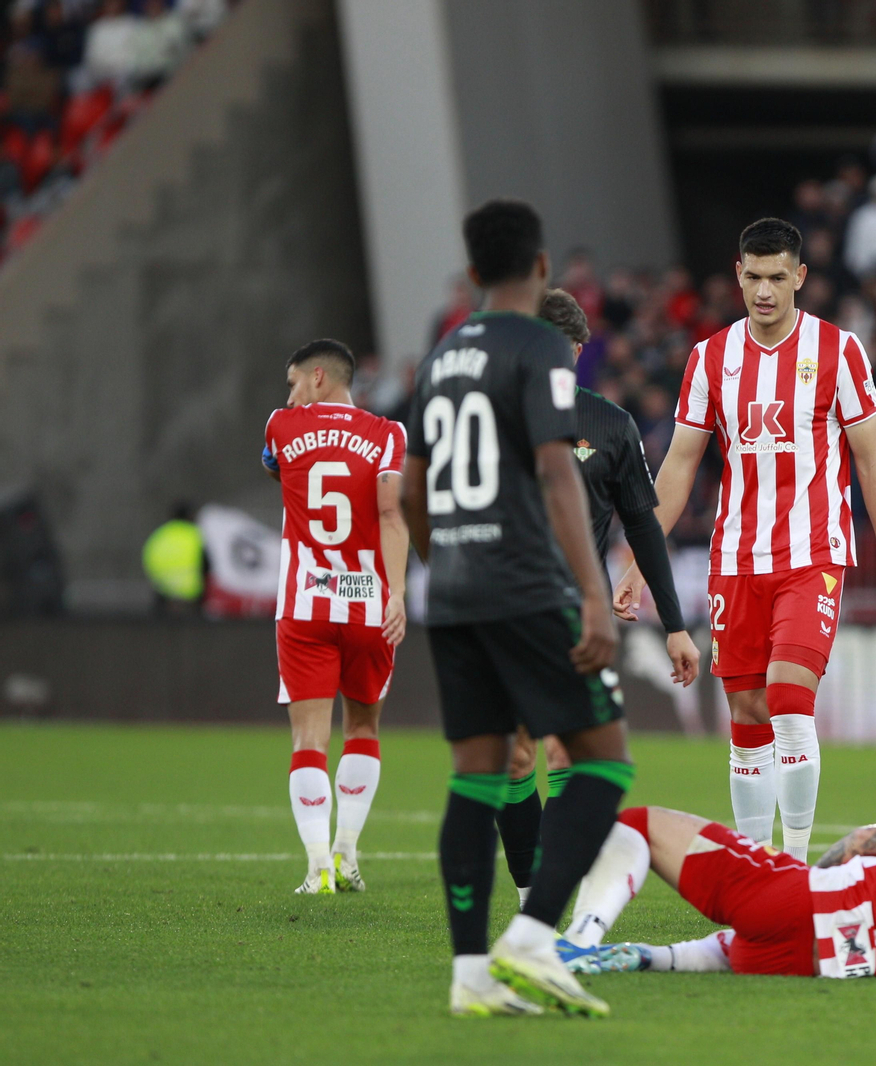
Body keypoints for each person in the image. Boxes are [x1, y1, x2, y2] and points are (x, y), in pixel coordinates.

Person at [613, 217, 876, 862]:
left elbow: (872, 463)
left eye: (779, 277)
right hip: (736, 561)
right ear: (738, 275)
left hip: (815, 558)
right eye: (754, 277)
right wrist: (641, 556)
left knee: (787, 695)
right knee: (747, 713)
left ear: (800, 277)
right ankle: (755, 864)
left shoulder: (840, 352)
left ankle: (796, 863)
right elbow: (680, 467)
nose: (766, 291)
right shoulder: (710, 357)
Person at [401, 200, 628, 1019]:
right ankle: (534, 936)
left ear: (470, 276)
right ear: (539, 270)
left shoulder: (437, 359)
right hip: (525, 586)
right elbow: (558, 471)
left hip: (455, 594)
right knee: (604, 760)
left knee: (479, 777)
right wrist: (592, 595)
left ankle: (470, 976)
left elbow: (407, 489)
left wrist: (445, 568)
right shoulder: (540, 344)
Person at [494, 288, 701, 908]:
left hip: (572, 611)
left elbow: (643, 525)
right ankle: (535, 886)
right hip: (501, 606)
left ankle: (544, 906)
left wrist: (674, 624)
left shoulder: (610, 425)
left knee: (563, 749)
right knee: (512, 755)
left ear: (580, 351)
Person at [553, 806, 876, 980]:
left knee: (636, 823)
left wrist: (802, 876)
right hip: (799, 963)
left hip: (797, 900)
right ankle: (654, 958)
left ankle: (579, 938)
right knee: (737, 944)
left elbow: (866, 841)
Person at [261, 339, 409, 895]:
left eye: (295, 380)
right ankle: (347, 852)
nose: (291, 393)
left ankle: (317, 863)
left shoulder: (282, 425)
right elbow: (392, 516)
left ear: (319, 377)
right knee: (365, 727)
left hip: (305, 605)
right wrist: (396, 595)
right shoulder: (388, 436)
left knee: (308, 740)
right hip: (370, 603)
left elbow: (279, 470)